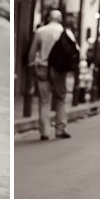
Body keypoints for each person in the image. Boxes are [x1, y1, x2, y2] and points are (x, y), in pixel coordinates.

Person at [27, 9, 71, 140]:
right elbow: (75, 51)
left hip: (43, 68)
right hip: (59, 70)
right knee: (61, 98)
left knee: (44, 100)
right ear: (61, 19)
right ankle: (60, 129)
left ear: (48, 18)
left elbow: (32, 53)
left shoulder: (41, 31)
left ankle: (45, 131)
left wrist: (32, 66)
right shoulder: (66, 32)